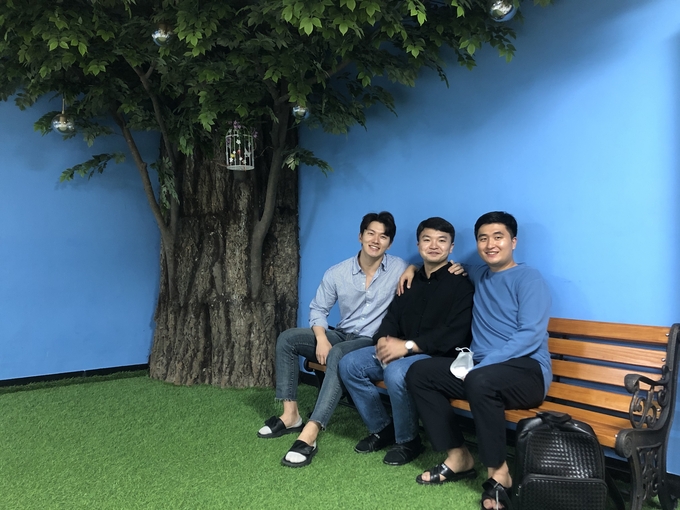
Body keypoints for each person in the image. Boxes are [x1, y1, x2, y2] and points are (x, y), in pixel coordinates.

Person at [404, 211, 552, 510]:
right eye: (483, 238)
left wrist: (485, 365)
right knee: (420, 372)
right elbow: (438, 261)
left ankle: (499, 475)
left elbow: (530, 334)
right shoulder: (478, 273)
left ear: (513, 241)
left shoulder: (529, 278)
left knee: (480, 380)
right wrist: (411, 267)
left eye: (498, 237)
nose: (490, 244)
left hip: (527, 370)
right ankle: (459, 456)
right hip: (481, 373)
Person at [257, 211, 411, 468]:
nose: (376, 240)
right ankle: (291, 415)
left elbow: (426, 268)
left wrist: (415, 268)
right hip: (340, 333)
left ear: (389, 243)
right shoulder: (337, 272)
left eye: (383, 236)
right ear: (360, 236)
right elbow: (318, 309)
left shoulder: (399, 267)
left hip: (369, 341)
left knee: (339, 354)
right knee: (287, 339)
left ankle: (311, 431)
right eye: (371, 233)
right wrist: (321, 338)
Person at [338, 217, 474, 466]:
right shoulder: (408, 279)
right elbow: (392, 317)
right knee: (350, 364)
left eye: (441, 240)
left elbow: (454, 334)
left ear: (451, 247)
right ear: (418, 244)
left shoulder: (461, 284)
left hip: (435, 356)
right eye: (427, 239)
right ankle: (383, 428)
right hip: (401, 349)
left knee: (396, 372)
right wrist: (383, 340)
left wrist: (407, 347)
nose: (434, 245)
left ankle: (408, 441)